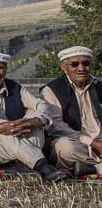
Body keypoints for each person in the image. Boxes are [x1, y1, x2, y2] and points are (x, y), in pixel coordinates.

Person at [0, 51, 65, 182]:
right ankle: (43, 166)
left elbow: (41, 105)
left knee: (35, 120)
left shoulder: (15, 87)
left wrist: (34, 121)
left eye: (0, 68)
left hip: (18, 139)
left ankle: (23, 164)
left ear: (6, 70)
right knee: (5, 133)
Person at [41, 46, 102, 176]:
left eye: (85, 63)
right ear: (64, 68)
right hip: (77, 142)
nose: (81, 68)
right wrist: (91, 142)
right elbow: (56, 126)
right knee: (64, 148)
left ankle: (91, 168)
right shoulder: (52, 89)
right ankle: (97, 167)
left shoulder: (99, 86)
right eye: (74, 64)